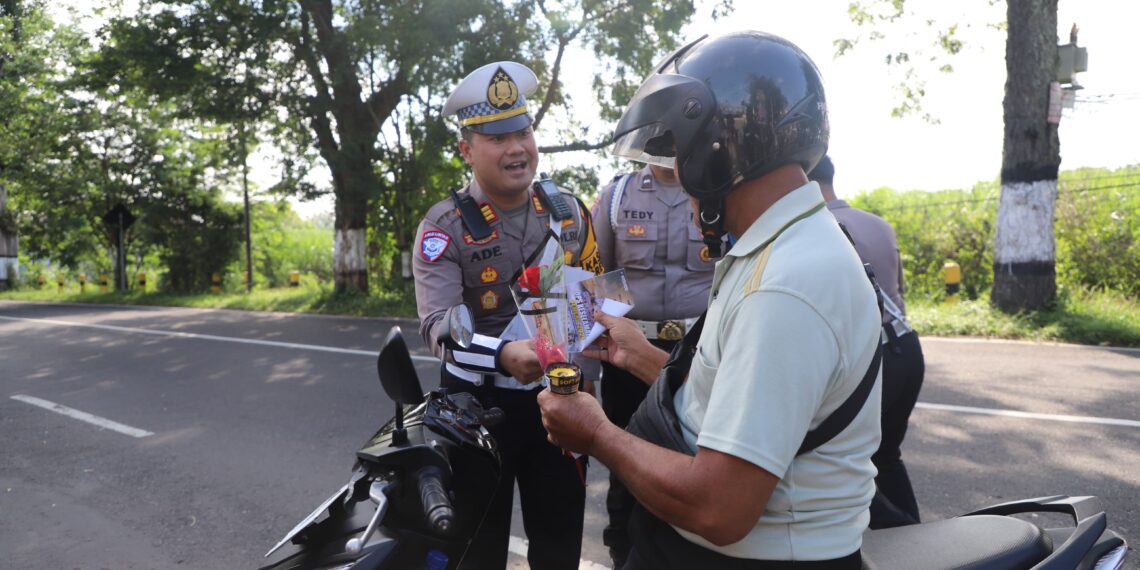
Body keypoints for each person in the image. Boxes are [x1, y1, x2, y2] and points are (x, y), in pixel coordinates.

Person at [537, 31, 882, 569]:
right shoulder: (778, 245)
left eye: (682, 153)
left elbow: (721, 508)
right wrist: (637, 355)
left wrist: (598, 434)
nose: (678, 175)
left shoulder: (783, 286)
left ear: (720, 150)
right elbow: (735, 399)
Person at [412, 60, 604, 570]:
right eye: (497, 137)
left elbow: (593, 299)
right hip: (477, 409)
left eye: (522, 131)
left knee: (560, 543)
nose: (516, 148)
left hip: (558, 399)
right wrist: (501, 354)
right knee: (477, 548)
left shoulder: (567, 211)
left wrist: (592, 358)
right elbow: (438, 328)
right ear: (466, 150)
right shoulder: (444, 226)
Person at [590, 163, 717, 568]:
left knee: (699, 450)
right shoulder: (616, 197)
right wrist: (589, 373)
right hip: (629, 347)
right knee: (625, 457)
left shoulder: (714, 190)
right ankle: (623, 549)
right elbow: (600, 277)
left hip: (698, 347)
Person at [809, 155, 925, 528]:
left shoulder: (817, 228)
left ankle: (896, 542)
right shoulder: (879, 224)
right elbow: (898, 291)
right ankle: (918, 541)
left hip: (870, 360)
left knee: (840, 466)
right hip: (905, 348)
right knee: (887, 456)